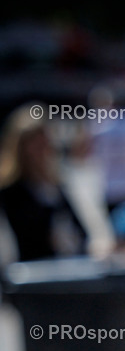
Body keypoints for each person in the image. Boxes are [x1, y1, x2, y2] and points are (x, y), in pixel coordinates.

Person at [0, 104, 87, 262]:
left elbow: (79, 229)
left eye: (45, 142)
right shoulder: (10, 191)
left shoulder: (56, 186)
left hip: (64, 267)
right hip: (30, 272)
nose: (42, 150)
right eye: (35, 144)